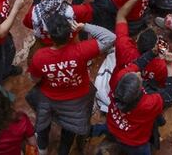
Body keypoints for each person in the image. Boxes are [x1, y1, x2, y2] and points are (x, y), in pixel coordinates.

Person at [29, 13, 115, 154]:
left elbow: (35, 79)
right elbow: (110, 38)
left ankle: (42, 148)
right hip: (78, 98)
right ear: (70, 33)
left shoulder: (40, 56)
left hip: (50, 97)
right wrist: (84, 26)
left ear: (50, 36)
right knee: (69, 133)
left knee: (42, 121)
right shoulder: (81, 50)